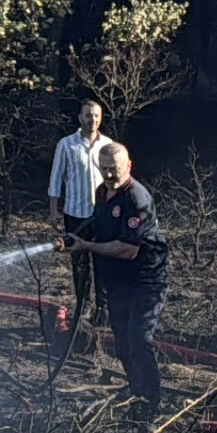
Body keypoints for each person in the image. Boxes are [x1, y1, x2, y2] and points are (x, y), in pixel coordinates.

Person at [61, 140, 170, 412]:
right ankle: (137, 392)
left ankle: (150, 402)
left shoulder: (136, 199)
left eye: (115, 169)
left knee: (139, 339)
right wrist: (75, 237)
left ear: (128, 166)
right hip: (119, 282)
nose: (109, 174)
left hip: (146, 280)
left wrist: (86, 246)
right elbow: (99, 223)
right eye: (104, 168)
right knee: (122, 344)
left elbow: (128, 249)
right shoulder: (102, 192)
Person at [46, 100, 116, 328]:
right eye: (88, 115)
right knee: (80, 262)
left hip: (102, 214)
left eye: (96, 116)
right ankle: (83, 304)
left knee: (103, 260)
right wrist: (54, 211)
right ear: (80, 118)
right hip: (75, 213)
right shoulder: (66, 145)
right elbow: (56, 178)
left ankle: (103, 308)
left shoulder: (108, 145)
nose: (92, 120)